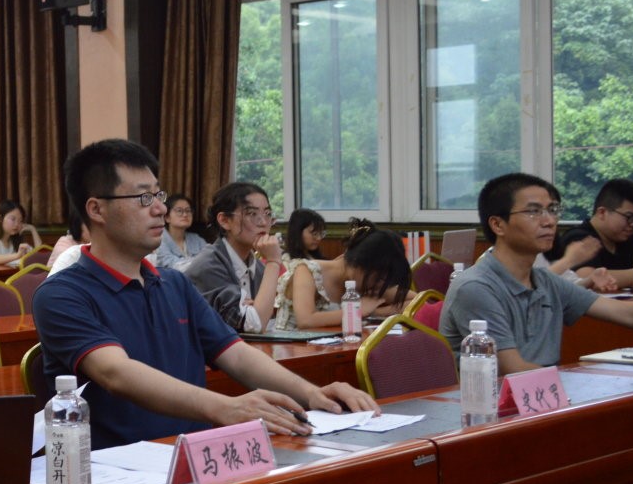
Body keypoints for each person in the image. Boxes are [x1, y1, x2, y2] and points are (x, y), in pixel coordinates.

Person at [31, 139, 376, 449]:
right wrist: (225, 407)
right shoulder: (62, 294)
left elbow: (236, 355)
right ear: (96, 209)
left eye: (159, 195)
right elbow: (116, 373)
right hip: (117, 473)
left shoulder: (174, 284)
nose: (160, 209)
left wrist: (313, 394)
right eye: (143, 198)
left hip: (196, 461)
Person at [442, 173, 633, 371]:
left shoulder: (545, 281)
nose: (549, 221)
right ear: (498, 225)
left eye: (552, 210)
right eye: (533, 212)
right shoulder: (475, 287)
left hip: (546, 390)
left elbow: (626, 312)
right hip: (500, 394)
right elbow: (513, 369)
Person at [273, 220, 411, 330]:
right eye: (379, 278)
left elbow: (420, 301)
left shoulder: (365, 280)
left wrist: (377, 312)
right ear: (359, 263)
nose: (380, 284)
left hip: (335, 349)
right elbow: (305, 320)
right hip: (290, 350)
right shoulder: (307, 271)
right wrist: (358, 310)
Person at [184, 182, 283, 332]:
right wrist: (274, 261)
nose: (263, 222)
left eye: (267, 214)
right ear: (224, 220)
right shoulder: (208, 266)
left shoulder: (259, 268)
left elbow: (264, 322)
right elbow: (255, 325)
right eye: (252, 214)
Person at [549, 178, 633, 290]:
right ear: (602, 212)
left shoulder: (630, 240)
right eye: (629, 217)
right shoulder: (579, 238)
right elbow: (588, 278)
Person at [0, 200, 42, 269]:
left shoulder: (16, 241)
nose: (17, 224)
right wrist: (17, 256)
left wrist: (33, 230)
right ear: (0, 218)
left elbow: (39, 256)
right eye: (13, 219)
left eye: (20, 221)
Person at [154, 194, 207, 270]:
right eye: (179, 211)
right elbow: (170, 264)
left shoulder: (197, 239)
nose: (185, 215)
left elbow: (211, 260)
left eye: (188, 211)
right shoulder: (158, 239)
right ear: (167, 217)